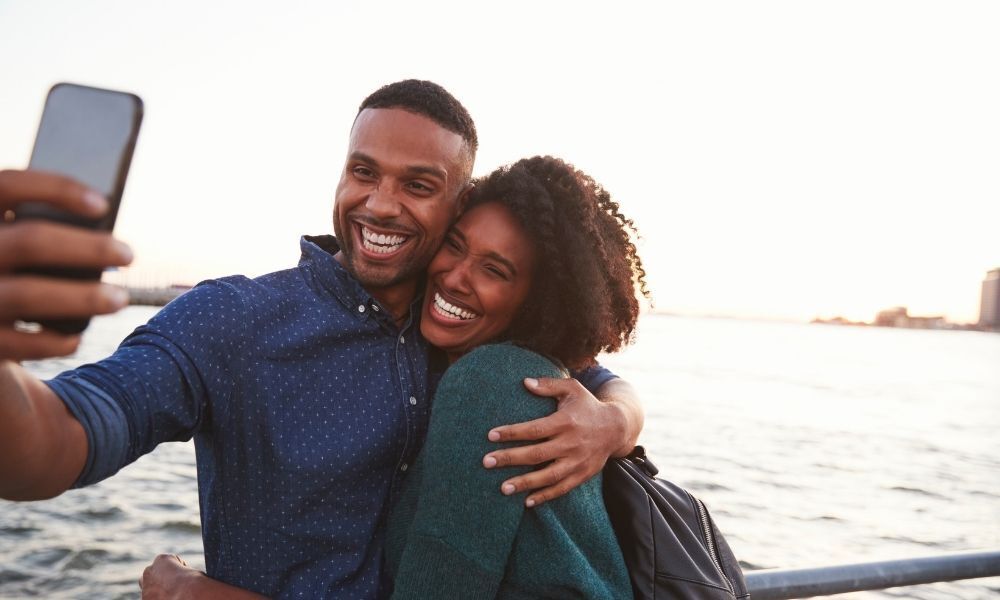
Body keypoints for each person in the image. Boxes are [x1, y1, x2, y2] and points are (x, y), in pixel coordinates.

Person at [0, 81, 644, 597]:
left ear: (459, 204)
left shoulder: (466, 329)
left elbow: (592, 380)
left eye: (418, 185)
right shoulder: (234, 320)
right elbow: (57, 441)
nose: (381, 204)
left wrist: (613, 422)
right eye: (364, 171)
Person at [144, 156, 648, 599]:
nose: (454, 276)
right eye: (455, 245)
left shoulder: (488, 386)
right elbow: (605, 382)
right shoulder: (507, 369)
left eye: (494, 270)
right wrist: (620, 420)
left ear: (538, 303)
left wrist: (194, 593)